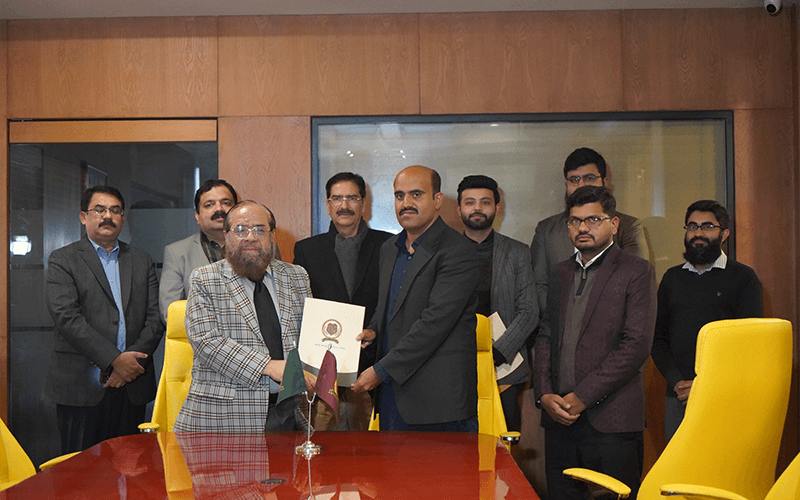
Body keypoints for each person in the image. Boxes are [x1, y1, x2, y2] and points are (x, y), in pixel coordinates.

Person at [534, 186, 656, 499]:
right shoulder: (561, 272)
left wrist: (583, 396)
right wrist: (545, 393)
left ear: (614, 224)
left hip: (612, 422)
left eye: (593, 219)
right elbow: (546, 335)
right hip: (560, 419)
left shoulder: (637, 271)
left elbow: (636, 345)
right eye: (575, 221)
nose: (583, 228)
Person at [351, 165, 480, 432]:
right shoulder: (389, 249)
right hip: (391, 399)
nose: (406, 204)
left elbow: (434, 324)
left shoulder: (459, 251)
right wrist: (374, 329)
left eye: (416, 194)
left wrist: (380, 371)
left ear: (437, 200)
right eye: (399, 196)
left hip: (439, 406)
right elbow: (389, 307)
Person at [174, 201, 312, 433]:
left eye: (259, 229)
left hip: (288, 412)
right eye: (240, 230)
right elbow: (206, 342)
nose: (250, 237)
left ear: (272, 235)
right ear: (227, 236)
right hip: (224, 418)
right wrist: (268, 366)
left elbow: (310, 334)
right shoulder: (204, 278)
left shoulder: (297, 276)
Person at [43, 186, 163, 454]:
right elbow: (67, 317)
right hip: (80, 387)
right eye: (100, 210)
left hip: (132, 383)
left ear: (122, 218)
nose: (108, 216)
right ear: (84, 217)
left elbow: (156, 318)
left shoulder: (141, 260)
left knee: (133, 474)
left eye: (115, 210)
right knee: (82, 476)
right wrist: (115, 360)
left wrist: (129, 365)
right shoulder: (63, 259)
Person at [651, 200, 763, 442]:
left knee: (720, 471)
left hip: (725, 397)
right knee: (678, 473)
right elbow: (657, 339)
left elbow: (749, 346)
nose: (698, 233)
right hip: (678, 397)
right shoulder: (672, 278)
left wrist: (707, 386)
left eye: (707, 226)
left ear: (724, 234)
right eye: (692, 226)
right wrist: (676, 382)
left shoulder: (743, 278)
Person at [293, 172, 392, 431]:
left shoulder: (388, 245)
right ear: (328, 204)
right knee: (329, 448)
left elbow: (394, 299)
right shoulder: (307, 250)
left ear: (363, 204)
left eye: (352, 198)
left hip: (373, 365)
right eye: (337, 198)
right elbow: (301, 305)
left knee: (370, 453)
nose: (344, 205)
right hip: (323, 369)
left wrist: (376, 330)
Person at [456, 174, 537, 431]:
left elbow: (529, 310)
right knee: (457, 449)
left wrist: (499, 352)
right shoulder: (443, 252)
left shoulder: (518, 252)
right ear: (459, 208)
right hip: (456, 365)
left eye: (485, 202)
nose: (477, 208)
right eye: (470, 202)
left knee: (503, 446)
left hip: (505, 365)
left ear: (497, 208)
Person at [530, 147, 648, 314]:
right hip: (559, 326)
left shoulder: (628, 227)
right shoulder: (547, 229)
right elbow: (539, 285)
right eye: (574, 179)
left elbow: (636, 285)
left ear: (605, 182)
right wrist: (559, 320)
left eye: (589, 178)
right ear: (566, 185)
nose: (581, 185)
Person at [159, 179, 238, 321]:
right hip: (197, 342)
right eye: (209, 205)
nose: (219, 209)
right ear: (197, 215)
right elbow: (170, 313)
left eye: (226, 203)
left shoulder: (261, 247)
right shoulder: (177, 253)